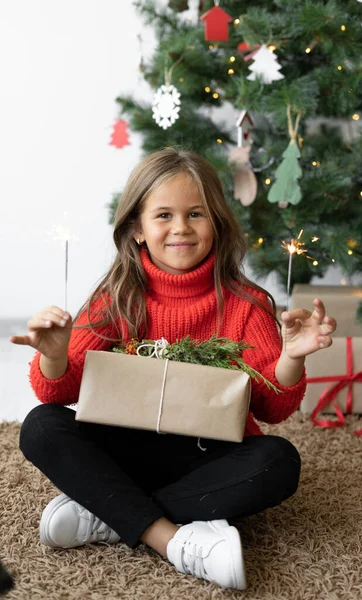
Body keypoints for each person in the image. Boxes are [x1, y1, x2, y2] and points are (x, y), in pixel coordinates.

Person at [11, 147, 336, 591]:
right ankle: (169, 537)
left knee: (278, 462)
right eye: (163, 215)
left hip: (203, 458)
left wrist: (290, 359)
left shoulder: (246, 304)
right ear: (137, 230)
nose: (181, 227)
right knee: (41, 427)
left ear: (217, 224)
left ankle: (111, 513)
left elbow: (272, 408)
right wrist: (54, 354)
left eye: (196, 214)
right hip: (125, 452)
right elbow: (56, 393)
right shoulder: (117, 296)